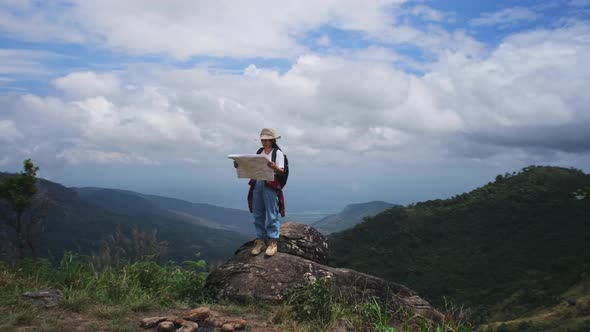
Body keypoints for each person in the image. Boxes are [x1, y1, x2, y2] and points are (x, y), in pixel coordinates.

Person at [235, 128, 286, 257]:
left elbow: (282, 171)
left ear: (272, 140)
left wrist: (274, 167)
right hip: (257, 183)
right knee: (258, 213)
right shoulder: (260, 152)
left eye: (266, 140)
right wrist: (239, 165)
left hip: (270, 184)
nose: (263, 142)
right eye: (262, 140)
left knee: (271, 213)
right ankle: (260, 240)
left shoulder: (277, 153)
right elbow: (253, 167)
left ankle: (272, 242)